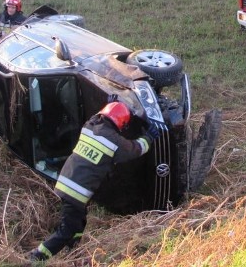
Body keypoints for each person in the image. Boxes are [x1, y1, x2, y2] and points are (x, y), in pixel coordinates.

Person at [28, 101, 160, 262]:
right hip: (75, 191)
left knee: (78, 222)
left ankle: (73, 253)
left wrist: (112, 102)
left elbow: (99, 117)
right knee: (66, 230)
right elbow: (135, 149)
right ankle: (36, 258)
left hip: (65, 181)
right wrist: (149, 137)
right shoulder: (113, 141)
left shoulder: (89, 126)